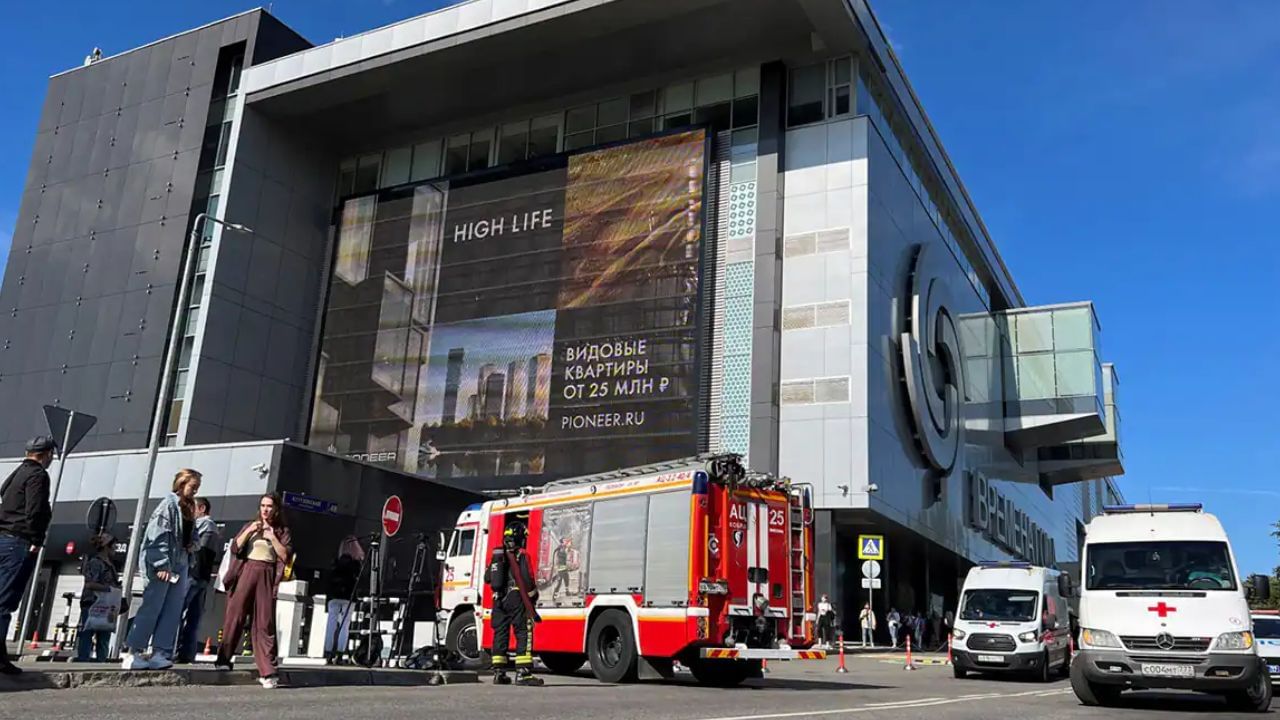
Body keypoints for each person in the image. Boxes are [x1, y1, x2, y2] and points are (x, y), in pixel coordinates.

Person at [122, 468, 201, 670]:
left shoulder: (189, 507)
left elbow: (193, 535)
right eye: (193, 486)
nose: (195, 491)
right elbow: (158, 535)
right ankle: (134, 651)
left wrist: (193, 544)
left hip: (181, 562)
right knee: (153, 607)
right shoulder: (168, 505)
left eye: (197, 487)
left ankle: (161, 652)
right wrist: (161, 564)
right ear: (182, 484)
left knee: (172, 611)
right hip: (167, 564)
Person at [216, 493, 292, 689]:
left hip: (267, 573)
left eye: (269, 506)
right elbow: (235, 548)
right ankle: (223, 660)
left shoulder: (282, 531)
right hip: (247, 571)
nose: (265, 510)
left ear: (276, 509)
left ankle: (268, 671)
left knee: (264, 622)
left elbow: (285, 555)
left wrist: (272, 537)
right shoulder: (251, 526)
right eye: (262, 506)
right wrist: (250, 530)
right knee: (235, 616)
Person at [0, 436, 55, 675]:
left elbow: (2, 493)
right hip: (19, 541)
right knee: (5, 601)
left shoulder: (17, 472)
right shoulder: (38, 476)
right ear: (46, 454)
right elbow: (35, 509)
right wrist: (36, 539)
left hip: (3, 537)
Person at [486, 522, 542, 686]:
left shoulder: (498, 556)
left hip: (498, 599)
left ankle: (499, 672)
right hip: (516, 597)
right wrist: (533, 597)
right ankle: (523, 672)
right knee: (524, 631)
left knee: (500, 633)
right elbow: (527, 580)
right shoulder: (522, 555)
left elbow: (487, 578)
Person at [176, 497, 220, 663]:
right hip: (203, 577)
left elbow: (194, 549)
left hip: (192, 574)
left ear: (201, 508)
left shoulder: (204, 525)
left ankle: (173, 650)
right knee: (194, 618)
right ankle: (187, 653)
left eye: (193, 508)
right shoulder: (213, 528)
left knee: (177, 612)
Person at [76, 533, 118, 662]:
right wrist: (110, 589)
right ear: (106, 547)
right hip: (92, 603)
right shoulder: (95, 563)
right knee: (87, 634)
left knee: (104, 636)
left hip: (106, 605)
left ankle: (101, 661)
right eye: (113, 546)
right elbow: (90, 584)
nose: (115, 549)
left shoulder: (110, 565)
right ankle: (83, 662)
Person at [323, 536, 364, 664]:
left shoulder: (335, 562)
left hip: (334, 596)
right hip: (349, 597)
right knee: (344, 625)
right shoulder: (356, 563)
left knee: (331, 624)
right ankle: (340, 653)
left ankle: (328, 651)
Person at [550, 537, 572, 602]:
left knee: (567, 580)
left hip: (564, 568)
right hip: (560, 569)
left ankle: (567, 592)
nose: (566, 542)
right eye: (564, 541)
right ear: (562, 542)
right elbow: (557, 557)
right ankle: (554, 596)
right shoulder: (559, 548)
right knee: (559, 583)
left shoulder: (564, 548)